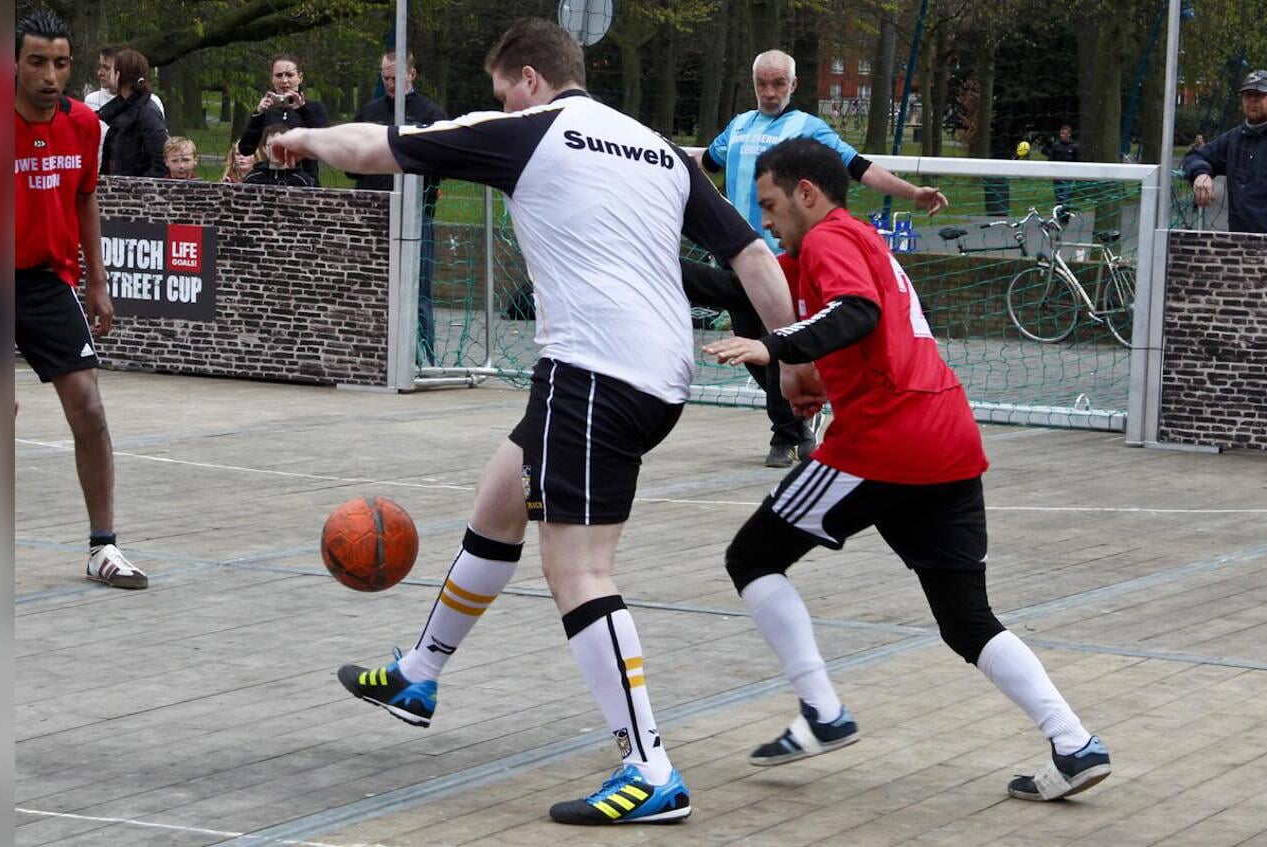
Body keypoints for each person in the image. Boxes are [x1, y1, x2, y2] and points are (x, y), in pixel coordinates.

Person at [272, 17, 810, 826]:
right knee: (498, 497)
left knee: (578, 571)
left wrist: (304, 140)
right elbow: (755, 257)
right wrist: (795, 358)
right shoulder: (657, 147)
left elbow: (382, 146)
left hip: (594, 372)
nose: (496, 102)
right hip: (657, 376)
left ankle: (649, 765)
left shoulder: (529, 130)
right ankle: (420, 672)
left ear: (528, 79)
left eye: (499, 89)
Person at [702, 136, 1110, 802]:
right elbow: (737, 283)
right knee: (966, 619)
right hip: (948, 437)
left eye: (772, 206)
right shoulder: (851, 241)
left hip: (887, 442)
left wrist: (774, 346)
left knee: (752, 556)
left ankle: (822, 711)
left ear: (808, 193)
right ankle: (1074, 744)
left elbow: (856, 314)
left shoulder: (831, 241)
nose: (767, 220)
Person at [698, 49, 948, 469]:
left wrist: (911, 192)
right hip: (739, 259)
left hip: (785, 263)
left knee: (779, 347)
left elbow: (860, 167)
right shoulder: (738, 126)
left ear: (793, 85)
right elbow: (701, 162)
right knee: (756, 355)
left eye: (779, 83)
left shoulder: (808, 129)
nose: (770, 92)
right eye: (763, 83)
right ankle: (798, 424)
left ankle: (785, 435)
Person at [14, 10, 148, 589]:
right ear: (12, 63)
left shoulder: (85, 126)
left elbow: (85, 200)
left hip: (46, 280)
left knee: (89, 409)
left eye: (61, 63)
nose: (50, 74)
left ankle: (103, 548)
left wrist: (98, 280)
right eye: (37, 61)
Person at [348, 50, 450, 365]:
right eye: (385, 77)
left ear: (412, 74)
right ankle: (369, 357)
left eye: (395, 77)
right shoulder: (370, 111)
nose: (390, 83)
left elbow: (445, 163)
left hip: (416, 216)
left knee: (418, 292)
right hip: (373, 214)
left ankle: (424, 360)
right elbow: (351, 163)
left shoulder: (431, 114)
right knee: (369, 288)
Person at [1181, 69, 1267, 234]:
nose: (1252, 100)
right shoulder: (1235, 138)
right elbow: (1196, 156)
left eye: (1259, 95)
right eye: (1247, 95)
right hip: (1238, 244)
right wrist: (1201, 174)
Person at [237, 53, 329, 186]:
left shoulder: (314, 108)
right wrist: (258, 114)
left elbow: (325, 145)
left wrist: (301, 110)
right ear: (272, 79)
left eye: (289, 75)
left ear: (300, 77)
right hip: (267, 183)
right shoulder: (265, 111)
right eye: (279, 75)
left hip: (305, 186)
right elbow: (245, 149)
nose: (284, 80)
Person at [96, 48, 168, 178]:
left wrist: (134, 189)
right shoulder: (120, 110)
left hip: (135, 194)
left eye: (111, 70)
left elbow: (162, 161)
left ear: (118, 75)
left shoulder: (148, 113)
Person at [84, 45, 163, 162]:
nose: (100, 73)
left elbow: (160, 156)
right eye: (100, 66)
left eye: (108, 68)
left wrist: (137, 180)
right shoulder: (108, 105)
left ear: (119, 74)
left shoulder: (149, 108)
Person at [241, 123, 314, 187]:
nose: (276, 151)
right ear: (264, 149)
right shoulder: (252, 179)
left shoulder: (302, 181)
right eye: (271, 145)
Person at [1048, 124, 1079, 207]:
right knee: (1058, 198)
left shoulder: (1074, 146)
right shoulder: (1056, 146)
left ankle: (1065, 217)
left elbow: (1077, 161)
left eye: (1065, 133)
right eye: (1062, 133)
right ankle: (1059, 217)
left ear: (1069, 134)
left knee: (1066, 197)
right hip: (1057, 175)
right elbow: (1050, 160)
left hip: (1068, 176)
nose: (1063, 135)